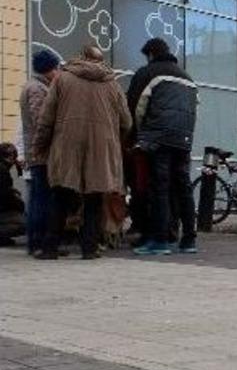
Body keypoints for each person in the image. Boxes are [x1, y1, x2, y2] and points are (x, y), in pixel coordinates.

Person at [32, 45, 131, 260]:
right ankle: (90, 248)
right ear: (101, 60)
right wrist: (113, 140)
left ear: (81, 57)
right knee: (94, 198)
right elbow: (126, 121)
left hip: (67, 145)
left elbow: (46, 119)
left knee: (60, 197)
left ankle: (50, 248)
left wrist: (39, 146)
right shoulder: (112, 84)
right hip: (101, 148)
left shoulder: (63, 79)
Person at [127, 38, 199, 255]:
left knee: (159, 187)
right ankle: (189, 240)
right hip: (183, 138)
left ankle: (160, 240)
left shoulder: (148, 73)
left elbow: (136, 107)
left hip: (156, 138)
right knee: (183, 187)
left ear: (150, 54)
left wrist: (140, 136)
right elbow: (194, 109)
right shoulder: (187, 78)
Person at [19, 49, 61, 255]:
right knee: (41, 199)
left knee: (40, 197)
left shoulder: (37, 86)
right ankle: (38, 243)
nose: (58, 72)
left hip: (38, 151)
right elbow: (40, 122)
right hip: (41, 153)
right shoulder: (37, 89)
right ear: (48, 69)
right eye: (56, 68)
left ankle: (39, 242)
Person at [0, 143, 25, 247]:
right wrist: (19, 203)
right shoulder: (2, 171)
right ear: (10, 157)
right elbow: (5, 198)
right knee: (25, 224)